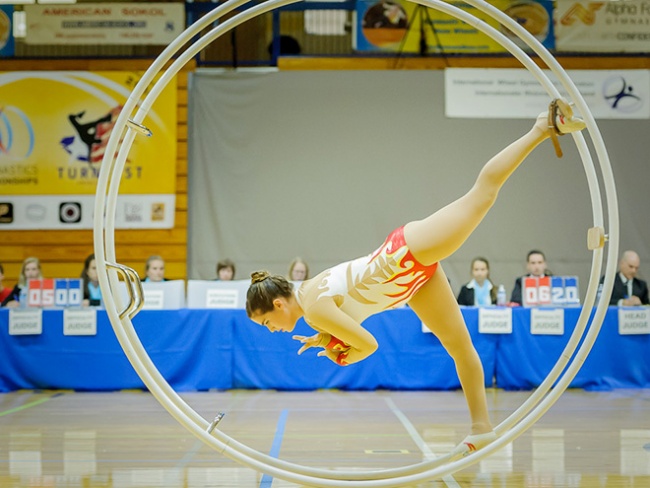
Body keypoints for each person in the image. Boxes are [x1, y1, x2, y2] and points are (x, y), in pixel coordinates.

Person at [244, 100, 586, 459]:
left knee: (482, 194)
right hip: (410, 281)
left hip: (407, 252)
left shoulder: (313, 308)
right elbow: (352, 310)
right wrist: (329, 338)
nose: (271, 329)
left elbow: (368, 345)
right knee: (460, 347)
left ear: (279, 303)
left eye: (267, 321)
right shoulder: (312, 302)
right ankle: (482, 429)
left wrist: (337, 356)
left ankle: (542, 125)